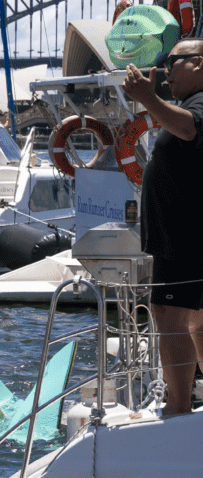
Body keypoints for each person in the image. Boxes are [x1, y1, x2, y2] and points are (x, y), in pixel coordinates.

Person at [122, 39, 203, 415]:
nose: (166, 69)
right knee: (196, 320)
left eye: (173, 62)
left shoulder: (199, 103)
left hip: (184, 238)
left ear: (199, 63)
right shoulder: (188, 103)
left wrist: (149, 100)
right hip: (185, 235)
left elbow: (189, 130)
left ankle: (178, 407)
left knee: (170, 317)